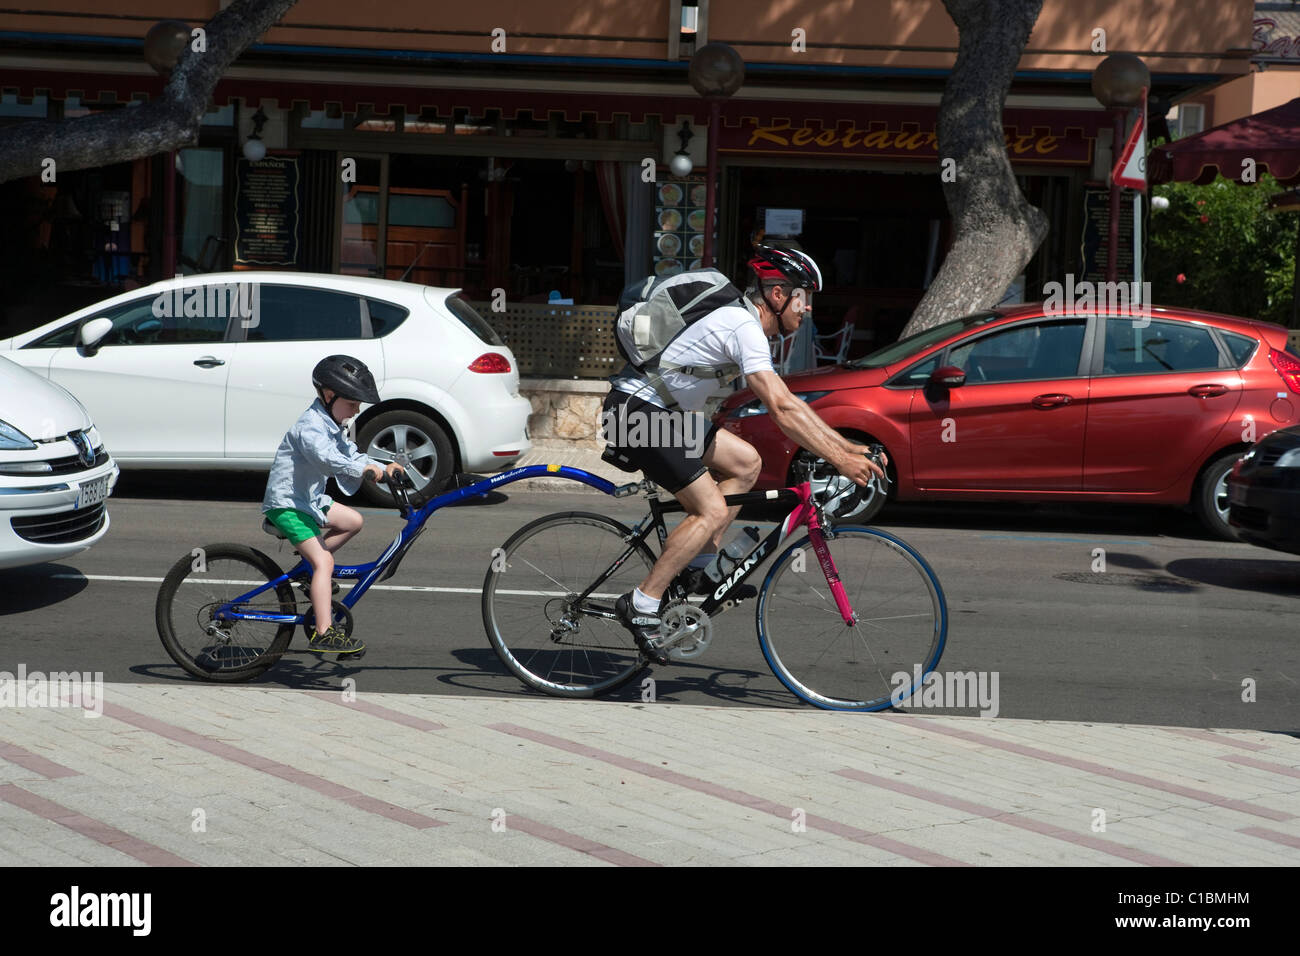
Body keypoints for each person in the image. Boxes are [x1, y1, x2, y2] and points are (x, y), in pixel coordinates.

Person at [602, 245, 887, 664]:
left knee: (747, 463)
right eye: (803, 298)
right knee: (712, 510)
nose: (806, 309)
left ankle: (697, 565)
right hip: (637, 415)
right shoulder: (743, 325)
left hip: (665, 416)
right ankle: (642, 603)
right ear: (777, 295)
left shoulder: (743, 324)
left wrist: (846, 446)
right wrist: (840, 460)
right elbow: (780, 406)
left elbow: (789, 401)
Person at [262, 354, 404, 656]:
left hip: (309, 501)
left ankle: (307, 569)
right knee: (325, 562)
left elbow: (350, 454)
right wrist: (363, 471)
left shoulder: (331, 423)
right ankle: (323, 634)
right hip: (287, 505)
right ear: (329, 395)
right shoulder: (310, 427)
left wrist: (383, 466)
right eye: (353, 403)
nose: (357, 410)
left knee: (352, 521)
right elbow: (327, 458)